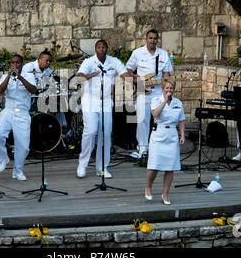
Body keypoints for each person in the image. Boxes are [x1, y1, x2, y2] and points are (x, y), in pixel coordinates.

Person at [76, 39, 130, 178]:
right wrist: (90, 75)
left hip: (106, 101)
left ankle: (102, 168)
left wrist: (135, 80)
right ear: (95, 49)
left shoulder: (114, 61)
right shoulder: (89, 62)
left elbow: (125, 75)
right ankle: (83, 164)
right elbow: (80, 77)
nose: (101, 49)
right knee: (91, 131)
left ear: (107, 49)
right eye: (99, 47)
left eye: (104, 47)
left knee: (105, 134)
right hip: (90, 100)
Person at [125, 29, 173, 158]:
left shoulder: (163, 54)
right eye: (150, 38)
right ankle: (142, 147)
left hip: (158, 90)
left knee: (161, 118)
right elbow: (128, 69)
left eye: (155, 38)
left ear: (158, 40)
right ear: (146, 39)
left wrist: (167, 88)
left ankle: (160, 146)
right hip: (142, 90)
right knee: (142, 119)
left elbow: (167, 74)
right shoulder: (138, 53)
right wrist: (136, 79)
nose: (152, 40)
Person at [0, 54, 37, 180]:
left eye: (18, 63)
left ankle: (17, 171)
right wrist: (8, 76)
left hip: (22, 113)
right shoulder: (4, 76)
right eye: (13, 63)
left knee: (23, 146)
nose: (15, 65)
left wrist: (20, 77)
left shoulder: (29, 75)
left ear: (22, 64)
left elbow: (33, 90)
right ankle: (3, 158)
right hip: (8, 111)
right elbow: (0, 91)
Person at [145, 81, 185, 205]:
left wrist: (182, 135)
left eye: (171, 88)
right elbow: (155, 114)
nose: (169, 90)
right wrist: (164, 101)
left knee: (170, 167)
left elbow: (181, 120)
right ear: (163, 89)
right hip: (158, 134)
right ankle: (148, 187)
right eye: (167, 88)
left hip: (172, 135)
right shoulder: (156, 99)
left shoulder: (178, 102)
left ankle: (165, 193)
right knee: (154, 165)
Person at [24, 50, 67, 127]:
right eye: (46, 61)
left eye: (50, 61)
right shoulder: (29, 67)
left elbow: (53, 83)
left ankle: (60, 129)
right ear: (39, 60)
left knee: (58, 105)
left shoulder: (47, 70)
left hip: (41, 97)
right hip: (29, 98)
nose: (48, 63)